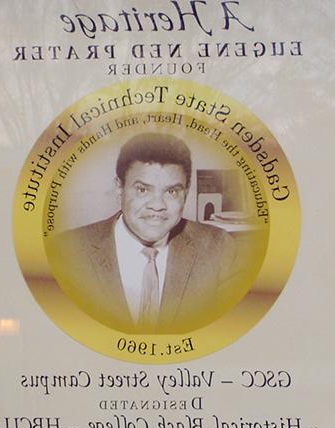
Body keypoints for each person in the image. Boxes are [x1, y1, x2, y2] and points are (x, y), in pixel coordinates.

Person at [49, 132, 239, 333]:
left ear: (186, 193)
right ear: (119, 189)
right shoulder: (65, 253)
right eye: (142, 190)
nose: (157, 205)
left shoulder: (219, 249)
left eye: (172, 192)